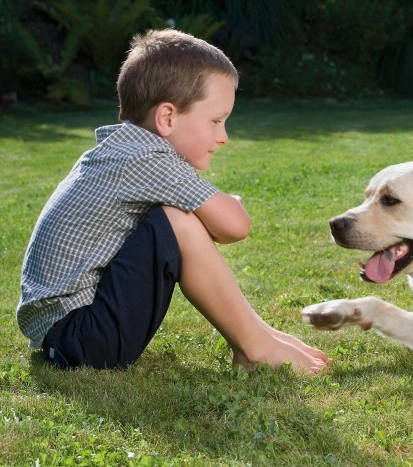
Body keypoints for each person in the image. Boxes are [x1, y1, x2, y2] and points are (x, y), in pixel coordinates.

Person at [17, 28, 328, 374]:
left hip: (67, 333)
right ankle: (254, 347)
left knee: (182, 217)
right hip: (81, 339)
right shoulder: (146, 159)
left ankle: (260, 336)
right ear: (167, 118)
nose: (224, 137)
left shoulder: (124, 150)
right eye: (216, 121)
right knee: (179, 220)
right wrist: (229, 205)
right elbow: (234, 227)